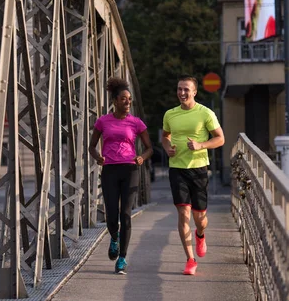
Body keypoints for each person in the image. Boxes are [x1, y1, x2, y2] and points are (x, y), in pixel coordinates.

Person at [161, 75, 225, 275]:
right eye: (179, 89)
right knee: (183, 213)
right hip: (177, 169)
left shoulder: (205, 113)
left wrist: (200, 145)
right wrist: (167, 148)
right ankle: (190, 259)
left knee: (200, 218)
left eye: (186, 89)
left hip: (198, 169)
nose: (182, 93)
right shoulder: (170, 114)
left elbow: (220, 138)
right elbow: (165, 136)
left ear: (194, 92)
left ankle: (200, 234)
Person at [89, 77, 153, 274]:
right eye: (124, 99)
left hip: (130, 169)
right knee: (111, 214)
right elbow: (91, 147)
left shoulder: (136, 123)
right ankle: (114, 238)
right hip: (110, 170)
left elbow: (150, 148)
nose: (128, 103)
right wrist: (98, 157)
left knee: (126, 214)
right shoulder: (102, 121)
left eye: (130, 99)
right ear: (115, 101)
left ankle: (122, 258)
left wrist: (142, 157)